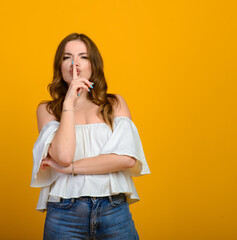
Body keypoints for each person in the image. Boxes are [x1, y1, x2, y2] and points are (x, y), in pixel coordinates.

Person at [31, 33, 151, 240]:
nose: (74, 63)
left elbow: (126, 158)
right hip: (64, 213)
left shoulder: (114, 104)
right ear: (60, 65)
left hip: (113, 210)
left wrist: (70, 169)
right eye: (67, 57)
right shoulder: (48, 109)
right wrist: (69, 102)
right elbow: (64, 155)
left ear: (93, 64)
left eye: (83, 57)